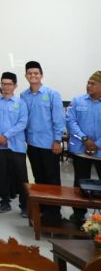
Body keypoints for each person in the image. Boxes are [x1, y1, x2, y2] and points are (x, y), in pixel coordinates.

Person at [21, 61, 64, 224]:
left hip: (49, 144)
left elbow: (58, 119)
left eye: (36, 73)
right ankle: (44, 210)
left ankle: (55, 212)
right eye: (30, 73)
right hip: (32, 144)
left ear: (41, 75)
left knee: (52, 179)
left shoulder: (52, 94)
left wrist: (57, 140)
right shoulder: (23, 95)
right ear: (26, 76)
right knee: (39, 178)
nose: (33, 76)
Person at [0, 71, 29, 218]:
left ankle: (25, 205)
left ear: (15, 86)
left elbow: (22, 123)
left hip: (17, 146)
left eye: (9, 84)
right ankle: (5, 202)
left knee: (21, 177)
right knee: (2, 175)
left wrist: (6, 136)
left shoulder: (21, 103)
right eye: (3, 84)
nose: (6, 87)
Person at [66, 71, 101, 225]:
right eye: (88, 82)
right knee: (80, 182)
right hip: (81, 150)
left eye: (93, 83)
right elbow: (70, 121)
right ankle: (78, 214)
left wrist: (96, 144)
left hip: (100, 151)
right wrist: (85, 139)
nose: (89, 86)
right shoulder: (77, 101)